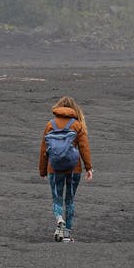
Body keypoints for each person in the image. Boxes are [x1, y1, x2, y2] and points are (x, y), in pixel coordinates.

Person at [39, 96, 93, 242]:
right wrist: (89, 168)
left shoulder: (50, 124)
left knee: (57, 199)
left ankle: (59, 219)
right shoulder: (76, 125)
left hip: (54, 169)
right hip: (74, 169)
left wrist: (42, 170)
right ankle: (67, 235)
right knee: (69, 201)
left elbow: (44, 148)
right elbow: (84, 147)